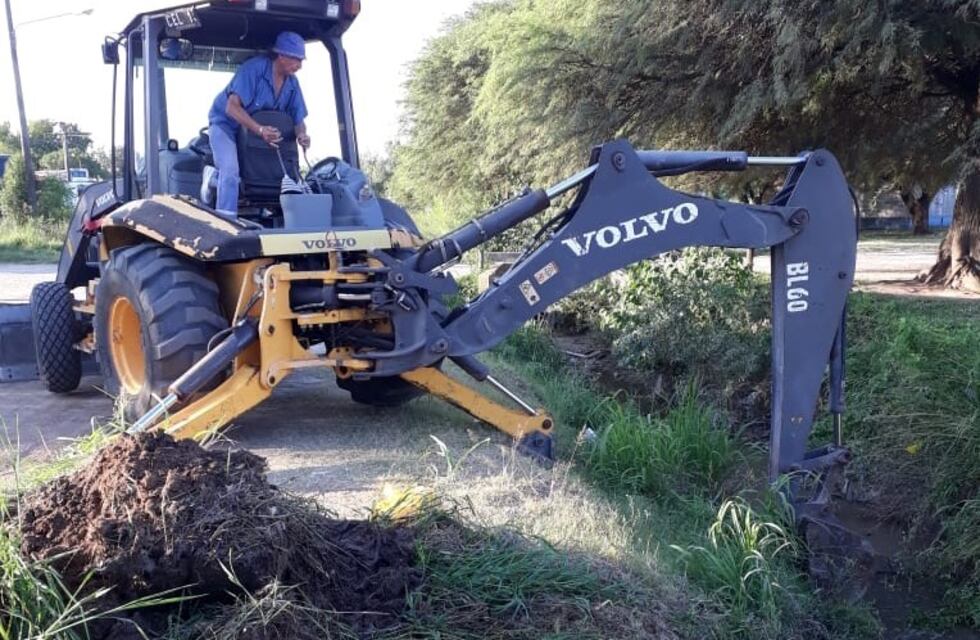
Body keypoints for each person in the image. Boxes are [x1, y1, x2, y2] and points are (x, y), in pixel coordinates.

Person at [207, 31, 311, 216]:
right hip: (226, 126)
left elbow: (298, 120)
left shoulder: (293, 84)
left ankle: (272, 216)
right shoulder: (253, 69)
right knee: (230, 170)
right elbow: (232, 108)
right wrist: (260, 130)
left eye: (302, 61)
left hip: (256, 133)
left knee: (276, 174)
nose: (300, 66)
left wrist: (301, 134)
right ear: (281, 55)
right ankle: (225, 218)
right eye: (296, 60)